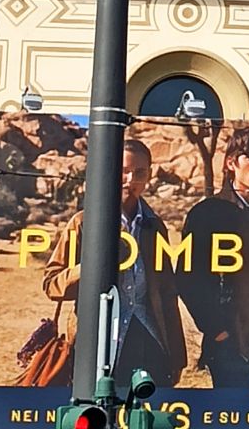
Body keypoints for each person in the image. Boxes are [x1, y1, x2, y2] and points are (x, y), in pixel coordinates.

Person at [44, 137, 187, 389]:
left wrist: (176, 355)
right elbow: (52, 284)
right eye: (123, 171)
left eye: (139, 173)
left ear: (149, 175)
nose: (131, 180)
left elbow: (167, 293)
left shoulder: (154, 226)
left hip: (149, 337)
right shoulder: (84, 222)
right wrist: (92, 266)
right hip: (97, 342)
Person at [178, 126, 249, 389]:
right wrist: (215, 328)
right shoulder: (207, 212)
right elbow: (188, 278)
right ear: (231, 163)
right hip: (227, 337)